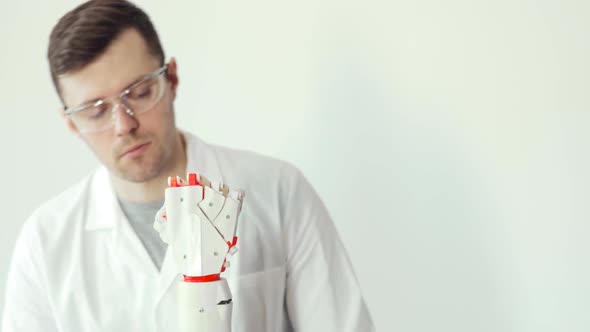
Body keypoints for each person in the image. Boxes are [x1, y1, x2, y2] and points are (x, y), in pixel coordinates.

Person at [1, 1, 374, 331]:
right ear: (71, 124)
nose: (124, 124)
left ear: (172, 79)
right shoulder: (45, 243)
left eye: (140, 92)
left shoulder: (278, 190)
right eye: (95, 111)